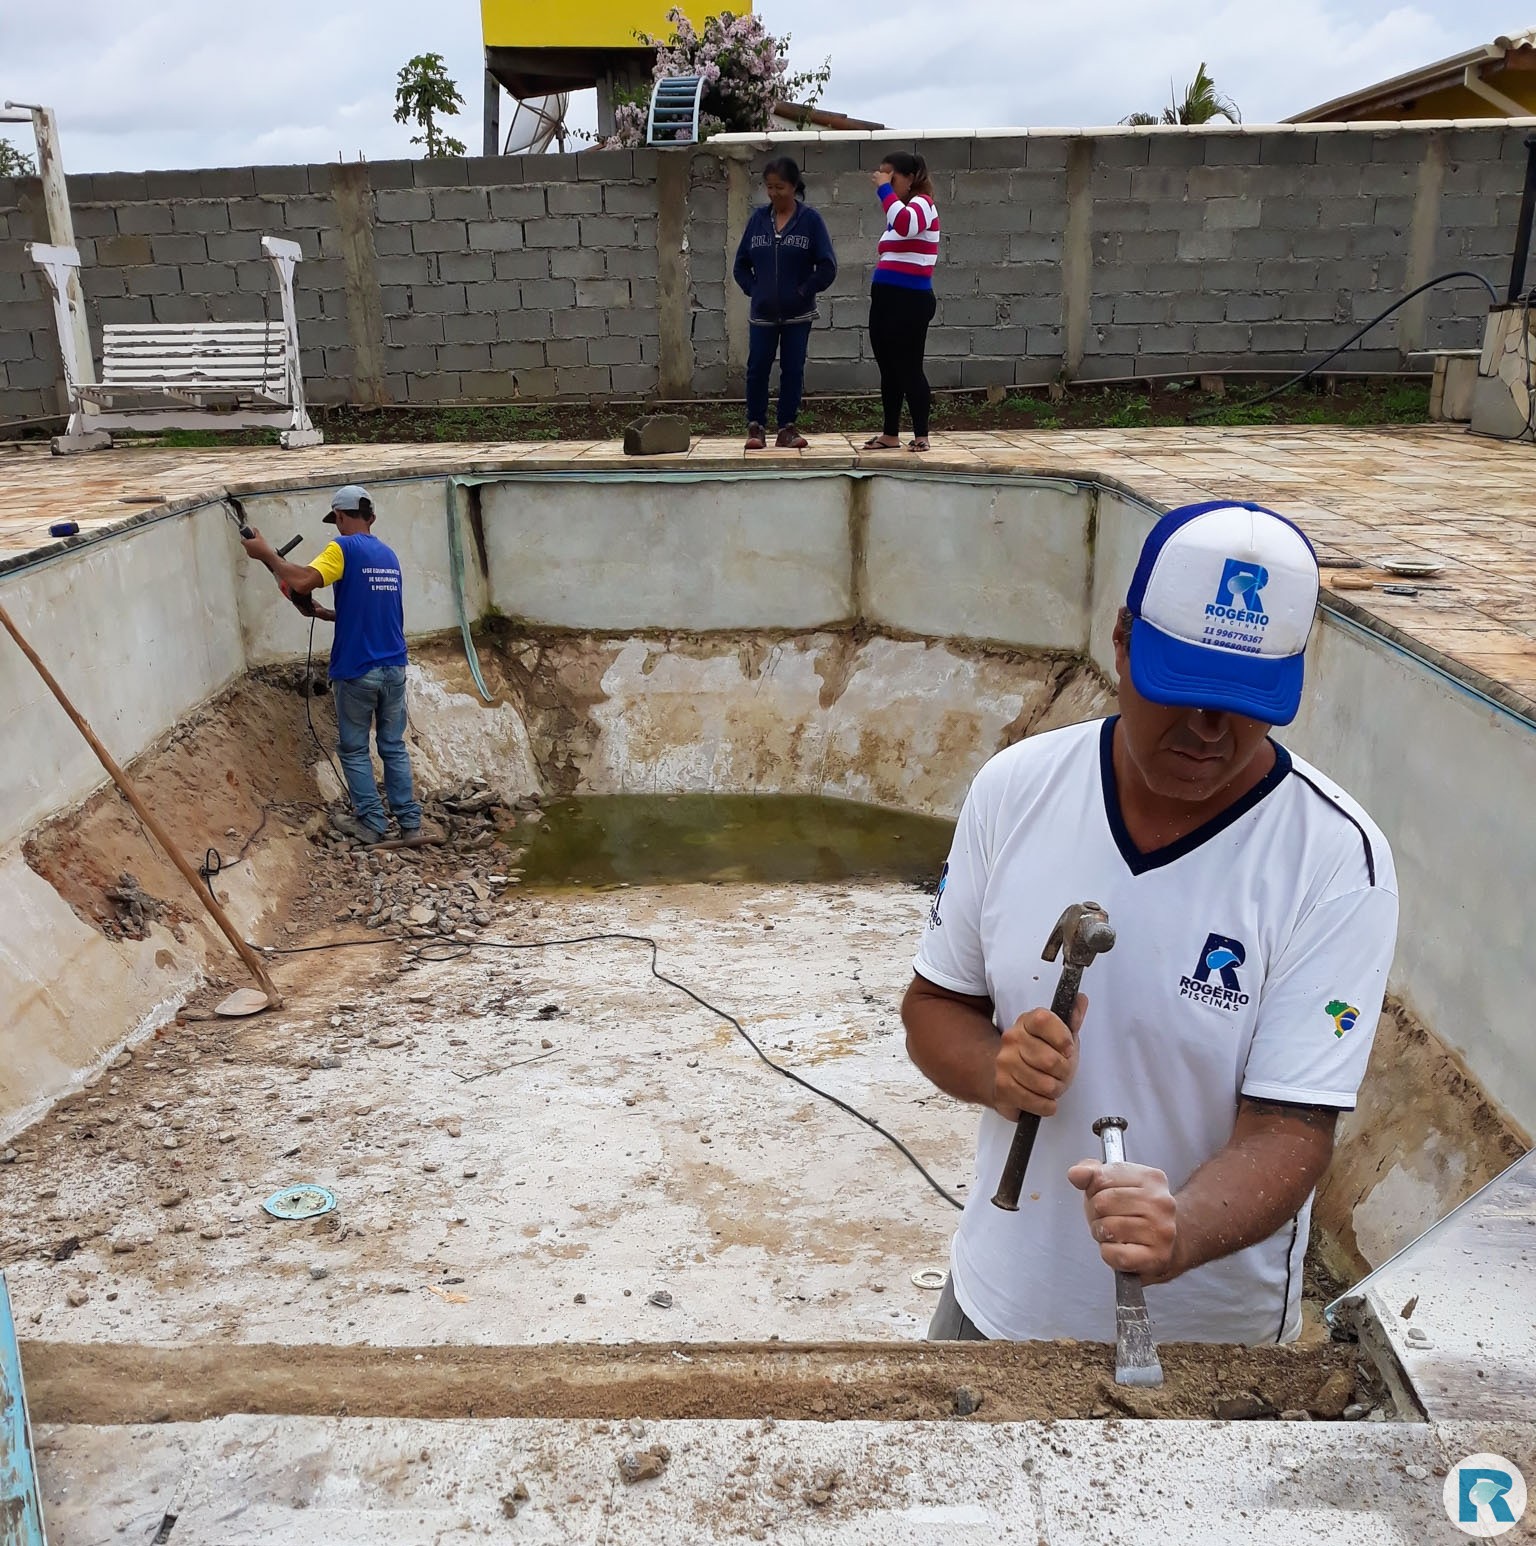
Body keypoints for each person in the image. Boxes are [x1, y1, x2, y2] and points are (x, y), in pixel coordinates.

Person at [903, 501, 1399, 1346]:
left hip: (1206, 1346)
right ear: (1123, 643)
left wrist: (1183, 1228)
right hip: (995, 1306)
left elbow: (1294, 1128)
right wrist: (998, 1069)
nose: (1211, 731)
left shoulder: (1334, 861)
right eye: (1185, 691)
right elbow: (932, 1009)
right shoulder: (1017, 789)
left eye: (1243, 702)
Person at [240, 485, 429, 848]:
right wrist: (326, 613)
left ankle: (372, 824)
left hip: (358, 668)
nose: (338, 526)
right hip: (394, 667)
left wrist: (267, 554)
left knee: (355, 748)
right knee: (393, 745)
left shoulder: (342, 548)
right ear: (371, 517)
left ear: (341, 517)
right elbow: (372, 612)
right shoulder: (388, 555)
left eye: (337, 520)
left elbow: (303, 581)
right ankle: (410, 825)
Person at [732, 155, 838, 451]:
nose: (774, 193)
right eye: (769, 187)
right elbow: (741, 265)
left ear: (794, 187)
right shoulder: (757, 221)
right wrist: (756, 290)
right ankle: (756, 427)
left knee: (792, 370)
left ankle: (786, 429)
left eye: (780, 187)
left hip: (798, 313)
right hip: (763, 313)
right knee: (757, 369)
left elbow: (827, 266)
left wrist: (804, 291)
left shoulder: (810, 222)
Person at [863, 151, 941, 455]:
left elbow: (907, 225)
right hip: (885, 297)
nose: (883, 181)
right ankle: (890, 433)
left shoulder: (922, 203)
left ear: (909, 179)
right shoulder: (896, 210)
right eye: (881, 176)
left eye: (890, 176)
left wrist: (884, 190)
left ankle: (921, 433)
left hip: (910, 300)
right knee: (889, 369)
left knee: (909, 367)